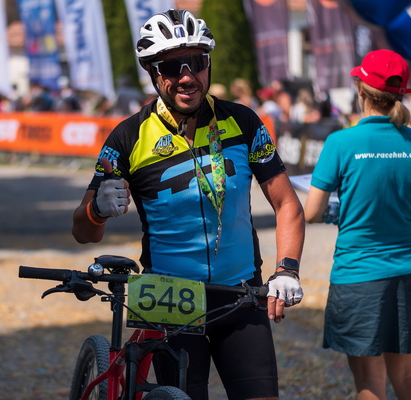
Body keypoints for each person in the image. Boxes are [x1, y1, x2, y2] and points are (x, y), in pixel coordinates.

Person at [71, 9, 305, 400]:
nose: (186, 76)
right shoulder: (128, 137)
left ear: (208, 64)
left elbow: (287, 205)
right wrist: (97, 209)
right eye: (170, 66)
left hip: (240, 293)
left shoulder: (243, 122)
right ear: (152, 72)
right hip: (167, 296)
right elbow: (83, 232)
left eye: (196, 62)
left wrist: (287, 270)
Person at [304, 49, 411, 400]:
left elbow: (311, 212)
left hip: (359, 275)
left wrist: (337, 210)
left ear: (360, 90)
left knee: (369, 383)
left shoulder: (341, 142)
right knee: (405, 376)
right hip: (408, 272)